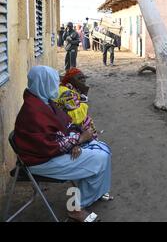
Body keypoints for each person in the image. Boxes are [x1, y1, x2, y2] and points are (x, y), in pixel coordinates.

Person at [14, 66, 112, 222]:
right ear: (43, 84)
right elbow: (51, 145)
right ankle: (75, 208)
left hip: (54, 152)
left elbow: (66, 125)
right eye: (53, 83)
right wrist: (79, 140)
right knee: (100, 157)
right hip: (41, 161)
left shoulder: (43, 101)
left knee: (102, 149)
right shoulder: (33, 112)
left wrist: (76, 141)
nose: (56, 86)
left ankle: (93, 193)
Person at [56, 68, 99, 140]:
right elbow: (76, 119)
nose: (83, 80)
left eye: (84, 78)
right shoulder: (68, 93)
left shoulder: (66, 88)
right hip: (69, 133)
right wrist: (84, 101)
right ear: (71, 80)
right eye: (79, 78)